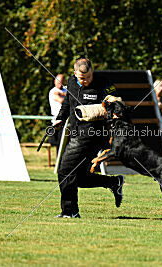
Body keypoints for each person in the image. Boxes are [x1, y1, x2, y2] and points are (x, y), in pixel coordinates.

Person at [53, 57, 124, 218]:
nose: (85, 81)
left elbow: (117, 103)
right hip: (75, 134)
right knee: (78, 177)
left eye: (88, 77)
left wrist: (110, 106)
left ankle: (70, 212)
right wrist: (60, 118)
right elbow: (67, 103)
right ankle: (113, 182)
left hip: (93, 135)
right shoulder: (71, 82)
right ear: (74, 74)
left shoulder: (103, 83)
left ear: (92, 72)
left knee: (65, 170)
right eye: (82, 78)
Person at [48, 74, 67, 152]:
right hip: (57, 119)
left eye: (61, 82)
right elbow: (62, 101)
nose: (60, 83)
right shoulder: (53, 91)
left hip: (66, 119)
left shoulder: (66, 89)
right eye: (58, 82)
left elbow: (74, 96)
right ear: (55, 82)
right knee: (59, 142)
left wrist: (62, 94)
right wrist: (65, 96)